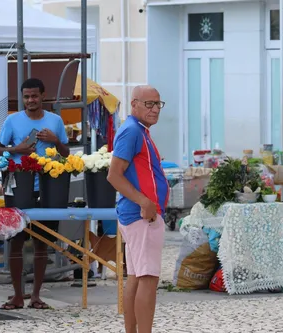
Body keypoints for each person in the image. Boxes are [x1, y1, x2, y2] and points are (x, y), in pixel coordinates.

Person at [0, 78, 69, 310]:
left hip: (49, 188)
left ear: (43, 96)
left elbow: (66, 153)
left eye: (34, 96)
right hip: (17, 187)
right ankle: (17, 295)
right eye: (26, 97)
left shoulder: (55, 121)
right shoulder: (12, 120)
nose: (30, 100)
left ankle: (36, 295)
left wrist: (55, 141)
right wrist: (16, 150)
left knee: (42, 242)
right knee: (16, 241)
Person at [107, 85, 169, 333]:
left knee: (136, 276)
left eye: (158, 104)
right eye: (149, 104)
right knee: (148, 278)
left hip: (137, 214)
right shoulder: (132, 131)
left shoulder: (139, 131)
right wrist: (145, 202)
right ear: (134, 104)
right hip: (142, 215)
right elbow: (114, 175)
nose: (155, 109)